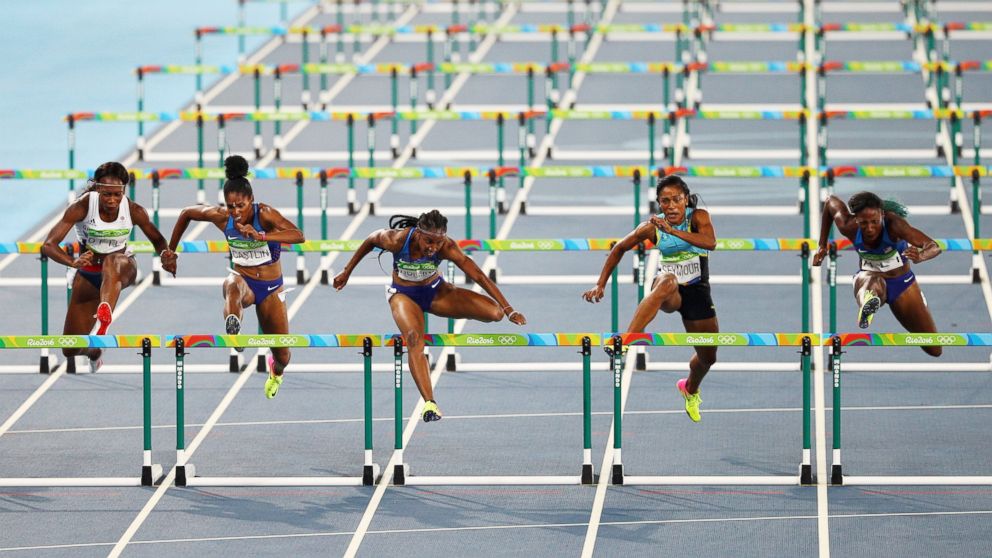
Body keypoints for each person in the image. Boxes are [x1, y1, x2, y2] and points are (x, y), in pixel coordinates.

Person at [333, 210, 526, 422]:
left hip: (436, 292)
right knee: (415, 339)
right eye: (428, 242)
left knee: (494, 313)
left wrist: (509, 309)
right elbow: (371, 240)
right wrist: (346, 272)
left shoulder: (446, 246)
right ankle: (429, 403)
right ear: (417, 233)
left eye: (438, 242)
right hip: (403, 296)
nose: (433, 248)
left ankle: (476, 305)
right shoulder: (397, 239)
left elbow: (478, 274)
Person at [168, 155, 305, 398]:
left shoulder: (265, 214)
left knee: (283, 355)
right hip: (246, 282)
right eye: (231, 206)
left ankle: (277, 372)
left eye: (240, 205)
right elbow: (186, 213)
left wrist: (262, 236)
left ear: (250, 200)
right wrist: (170, 250)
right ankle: (234, 330)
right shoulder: (222, 217)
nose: (236, 211)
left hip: (271, 288)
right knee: (231, 285)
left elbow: (298, 235)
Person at [583, 175, 718, 422]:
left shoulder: (698, 218)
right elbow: (619, 248)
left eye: (677, 199)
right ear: (659, 203)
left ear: (686, 199)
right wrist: (600, 284)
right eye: (665, 201)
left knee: (708, 358)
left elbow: (710, 243)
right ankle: (624, 341)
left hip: (698, 291)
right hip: (669, 292)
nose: (672, 206)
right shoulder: (652, 227)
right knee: (666, 281)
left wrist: (673, 232)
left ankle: (690, 388)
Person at [41, 162, 176, 371]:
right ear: (97, 189)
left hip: (123, 268)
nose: (112, 200)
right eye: (106, 195)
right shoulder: (82, 207)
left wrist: (166, 255)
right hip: (88, 274)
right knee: (70, 348)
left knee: (111, 262)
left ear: (123, 190)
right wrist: (72, 262)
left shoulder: (133, 210)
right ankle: (94, 351)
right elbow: (49, 245)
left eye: (117, 194)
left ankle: (103, 324)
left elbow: (158, 240)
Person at [813, 191, 942, 357]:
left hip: (902, 284)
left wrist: (921, 255)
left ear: (882, 214)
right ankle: (868, 303)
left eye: (874, 222)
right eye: (863, 223)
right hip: (869, 277)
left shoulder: (895, 224)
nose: (869, 228)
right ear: (856, 219)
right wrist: (822, 245)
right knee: (873, 283)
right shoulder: (848, 225)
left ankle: (871, 300)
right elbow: (830, 202)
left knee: (934, 349)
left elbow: (934, 246)